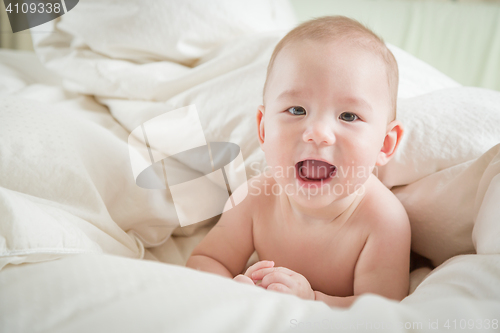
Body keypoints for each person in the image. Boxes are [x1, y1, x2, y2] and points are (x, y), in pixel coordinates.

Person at [186, 16, 410, 308]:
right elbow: (206, 259)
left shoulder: (383, 222)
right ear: (264, 129)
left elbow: (381, 312)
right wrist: (230, 289)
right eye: (297, 109)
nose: (317, 132)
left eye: (348, 116)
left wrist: (311, 300)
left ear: (385, 143)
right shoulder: (253, 199)